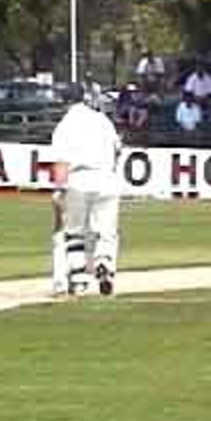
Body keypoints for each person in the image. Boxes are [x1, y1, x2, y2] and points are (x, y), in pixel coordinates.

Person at [49, 95, 122, 297]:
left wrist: (59, 189)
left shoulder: (65, 125)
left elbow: (61, 160)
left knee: (74, 232)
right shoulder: (103, 121)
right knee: (107, 232)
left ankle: (79, 279)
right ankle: (104, 262)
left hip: (78, 179)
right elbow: (117, 151)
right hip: (107, 178)